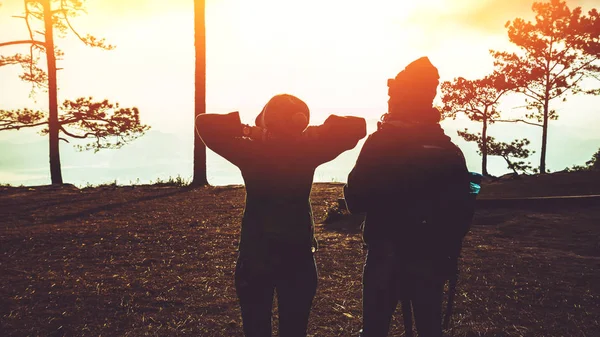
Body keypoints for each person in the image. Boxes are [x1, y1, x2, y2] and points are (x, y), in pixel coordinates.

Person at [197, 94, 367, 337]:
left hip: (256, 253)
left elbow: (205, 123)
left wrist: (252, 132)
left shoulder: (251, 150)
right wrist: (306, 134)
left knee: (256, 328)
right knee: (294, 329)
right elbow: (357, 126)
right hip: (298, 254)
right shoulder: (308, 150)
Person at [344, 57, 473, 337]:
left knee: (375, 330)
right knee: (430, 329)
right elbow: (463, 209)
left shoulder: (380, 144)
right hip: (433, 254)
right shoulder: (446, 148)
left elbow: (355, 200)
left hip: (386, 253)